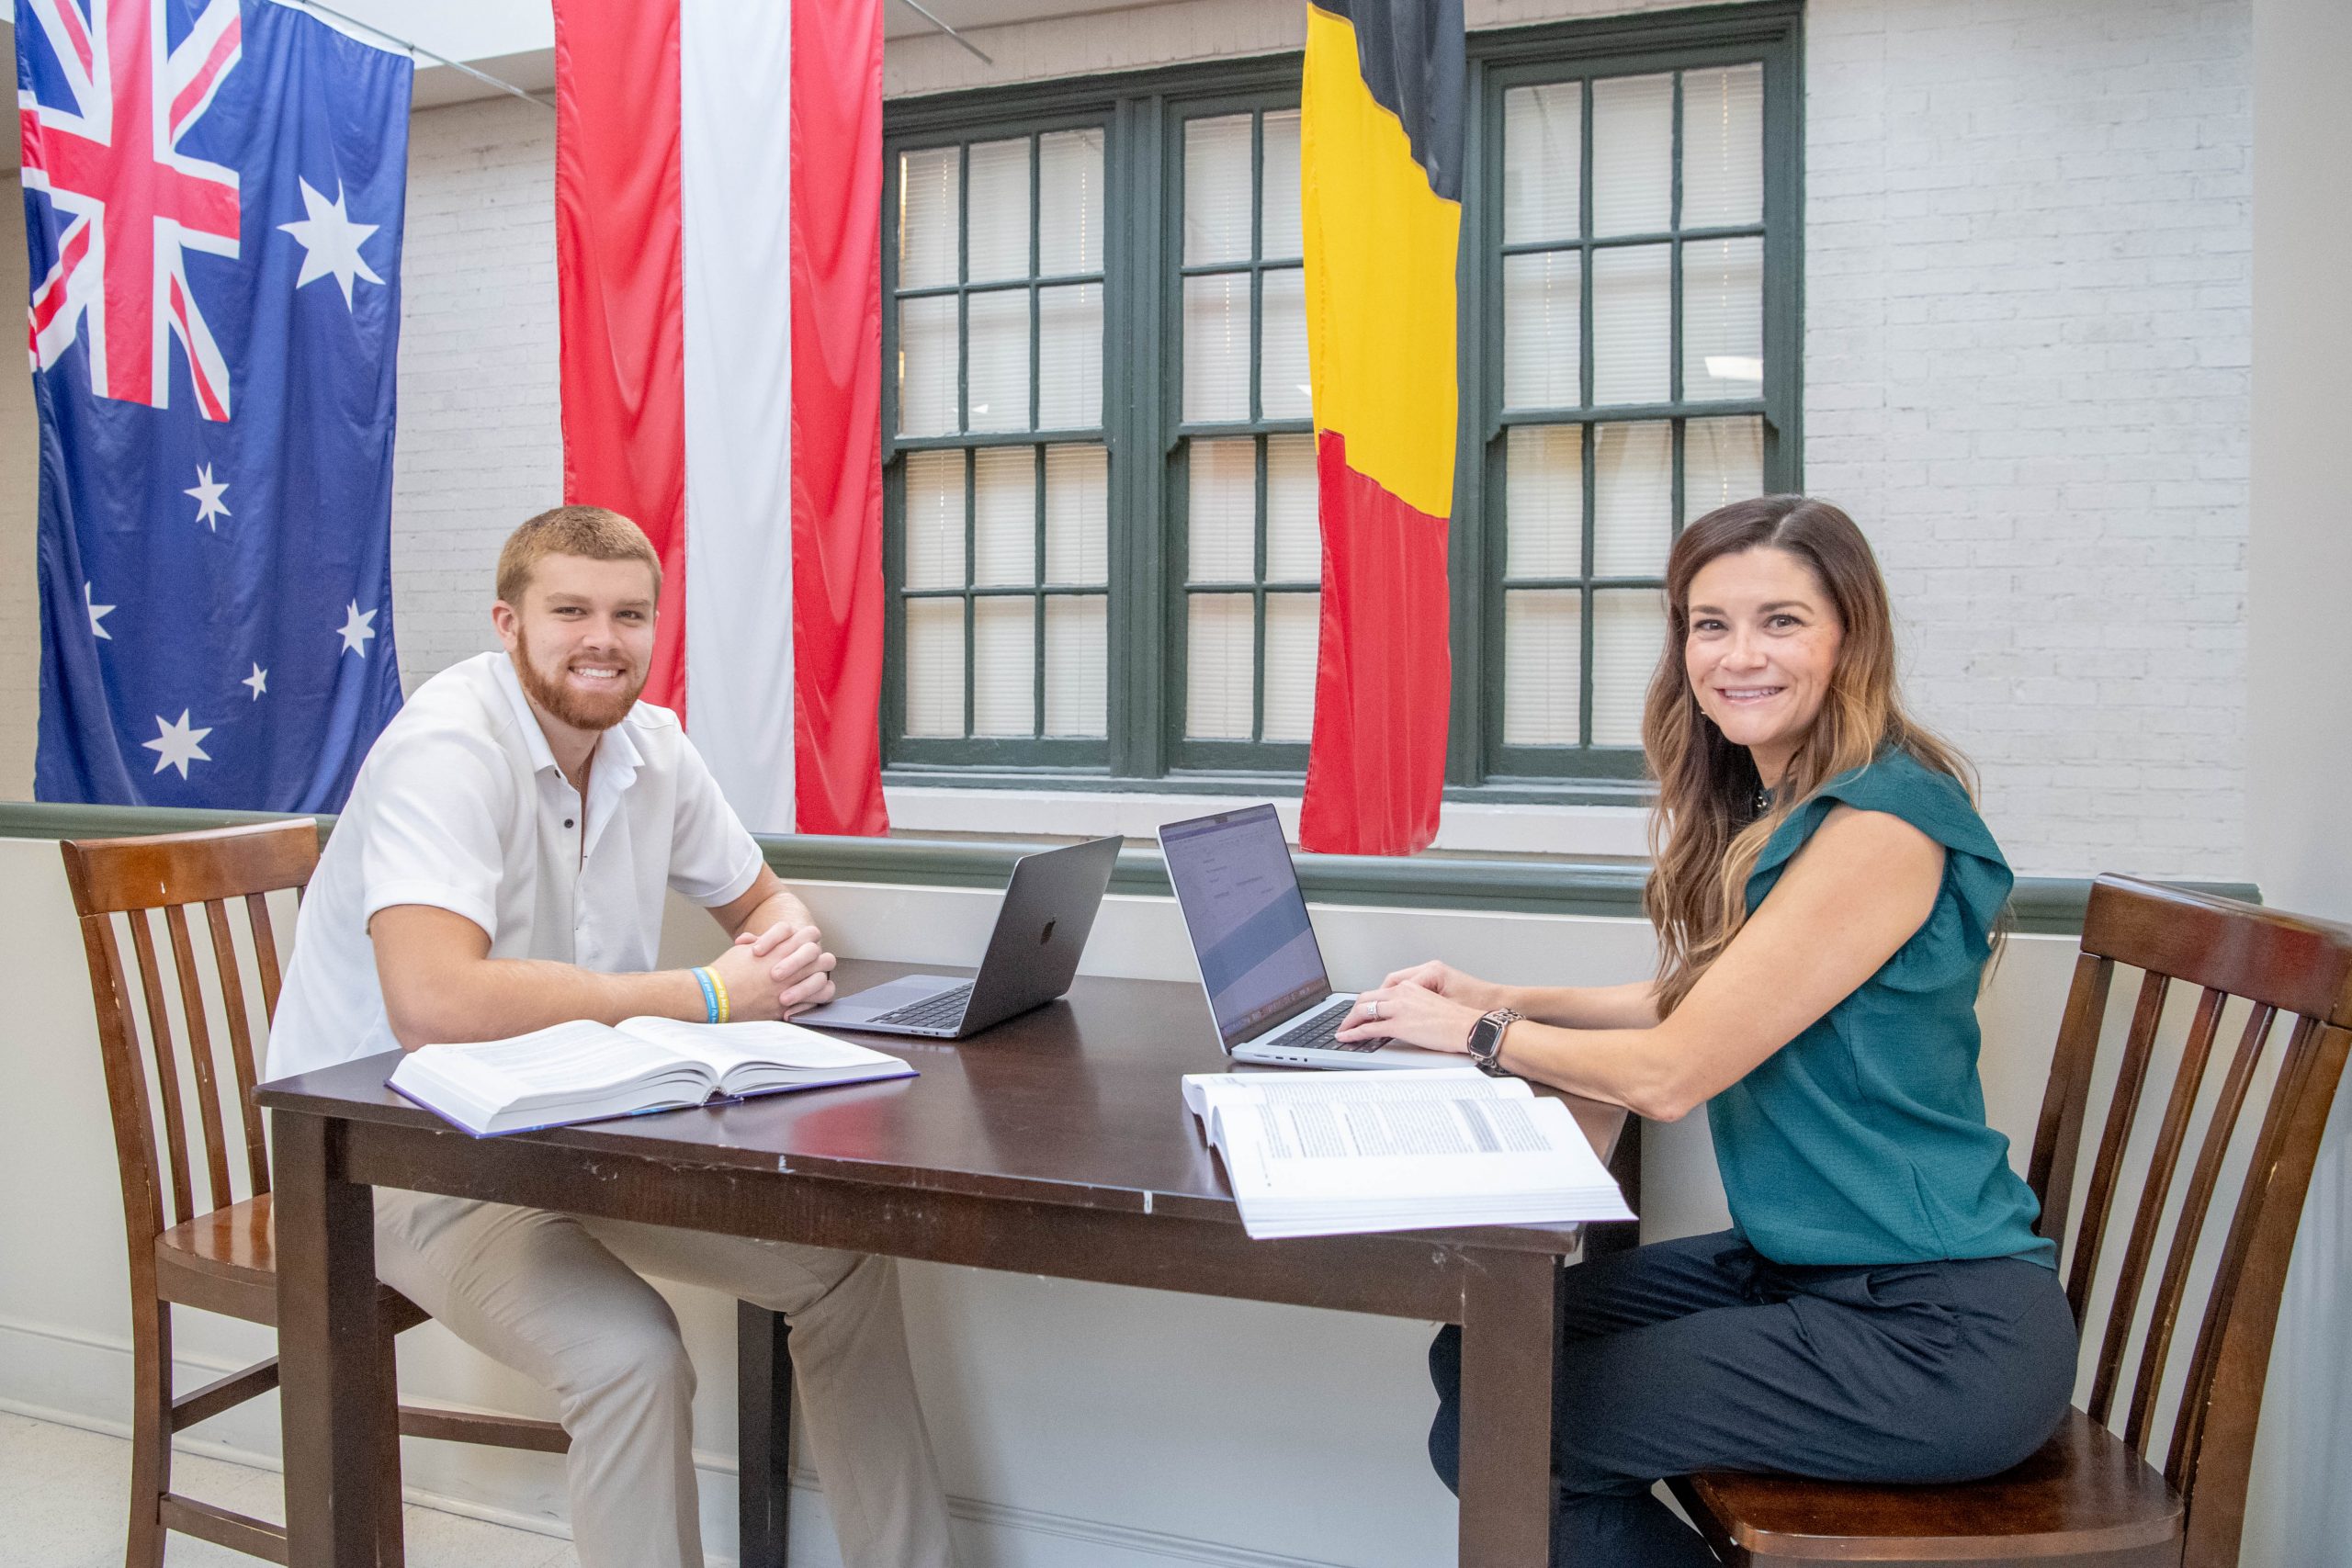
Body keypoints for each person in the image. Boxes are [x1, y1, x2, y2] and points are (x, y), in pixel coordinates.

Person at [1336, 495, 2076, 1565]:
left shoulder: (1878, 826)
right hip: (1810, 1270)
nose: (1737, 656)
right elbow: (1696, 1001)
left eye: (1780, 621)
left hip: (1934, 1333)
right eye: (1708, 622)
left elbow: (1674, 1071)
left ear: (1849, 637)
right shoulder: (1801, 802)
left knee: (1511, 1422)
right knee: (1480, 1344)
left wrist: (1478, 1034)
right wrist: (1502, 993)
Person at [269, 504, 958, 1568]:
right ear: (508, 623)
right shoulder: (445, 750)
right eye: (572, 611)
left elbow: (766, 909)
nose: (605, 637)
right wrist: (712, 996)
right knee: (630, 1355)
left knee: (842, 1262)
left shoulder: (651, 746)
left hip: (581, 1134)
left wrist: (788, 951)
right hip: (403, 1159)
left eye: (630, 614)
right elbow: (434, 1004)